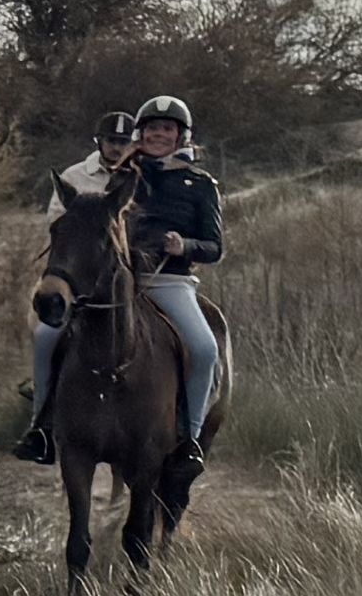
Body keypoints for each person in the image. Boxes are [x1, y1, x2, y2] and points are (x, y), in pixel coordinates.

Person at [16, 91, 226, 476]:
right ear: (140, 134)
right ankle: (41, 428)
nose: (158, 135)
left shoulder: (201, 184)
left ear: (181, 136)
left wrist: (185, 245)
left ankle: (190, 440)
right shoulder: (122, 177)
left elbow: (215, 247)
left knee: (205, 348)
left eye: (167, 129)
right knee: (47, 336)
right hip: (116, 281)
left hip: (170, 282)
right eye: (152, 129)